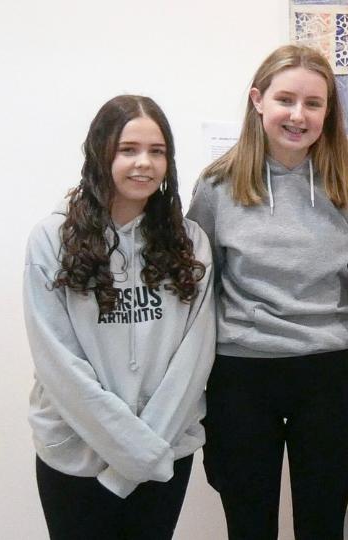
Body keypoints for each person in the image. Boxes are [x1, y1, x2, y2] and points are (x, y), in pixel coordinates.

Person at [187, 44, 348, 539]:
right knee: (248, 525)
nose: (298, 115)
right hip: (240, 375)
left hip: (328, 372)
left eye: (313, 104)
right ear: (258, 100)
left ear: (327, 113)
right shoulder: (216, 186)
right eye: (285, 100)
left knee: (321, 524)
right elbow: (198, 283)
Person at [24, 95, 214, 539]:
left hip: (164, 447)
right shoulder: (51, 239)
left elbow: (194, 360)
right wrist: (133, 453)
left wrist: (145, 454)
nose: (143, 163)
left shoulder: (190, 242)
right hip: (76, 452)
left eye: (157, 151)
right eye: (128, 150)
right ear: (100, 152)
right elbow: (58, 363)